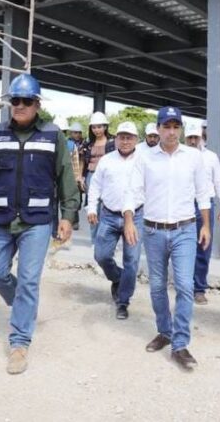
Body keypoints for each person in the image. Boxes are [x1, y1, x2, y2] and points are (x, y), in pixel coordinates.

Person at [0, 73, 79, 375]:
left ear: (37, 104)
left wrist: (68, 216)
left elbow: (66, 179)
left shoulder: (54, 136)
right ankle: (23, 307)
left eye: (26, 101)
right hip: (1, 219)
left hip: (37, 221)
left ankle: (19, 343)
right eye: (15, 100)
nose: (20, 105)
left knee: (29, 280)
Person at [123, 106, 211, 371]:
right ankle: (165, 330)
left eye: (176, 127)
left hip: (185, 229)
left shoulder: (193, 157)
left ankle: (180, 344)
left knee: (184, 286)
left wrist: (206, 225)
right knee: (157, 286)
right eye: (166, 126)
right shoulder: (144, 157)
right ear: (158, 129)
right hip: (153, 230)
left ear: (181, 129)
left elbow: (203, 193)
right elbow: (133, 191)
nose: (171, 132)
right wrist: (128, 219)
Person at [87, 122, 143, 320]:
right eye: (122, 137)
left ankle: (123, 301)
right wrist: (92, 207)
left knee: (132, 260)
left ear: (136, 139)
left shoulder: (144, 160)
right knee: (101, 255)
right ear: (116, 139)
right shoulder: (107, 160)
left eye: (129, 137)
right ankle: (118, 278)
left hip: (136, 216)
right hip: (109, 215)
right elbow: (95, 186)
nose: (126, 141)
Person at [184, 123, 220, 305]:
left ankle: (199, 288)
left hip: (205, 207)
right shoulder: (178, 157)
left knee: (203, 247)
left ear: (202, 138)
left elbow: (219, 182)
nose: (193, 141)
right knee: (183, 246)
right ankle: (185, 285)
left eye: (196, 138)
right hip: (184, 206)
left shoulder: (210, 158)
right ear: (185, 138)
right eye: (190, 138)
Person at [80, 112, 115, 243]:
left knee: (107, 207)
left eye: (99, 127)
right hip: (91, 176)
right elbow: (83, 160)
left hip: (108, 177)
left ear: (105, 127)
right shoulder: (88, 144)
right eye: (94, 127)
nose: (97, 130)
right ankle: (95, 240)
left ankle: (106, 239)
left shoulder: (113, 142)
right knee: (93, 207)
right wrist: (81, 177)